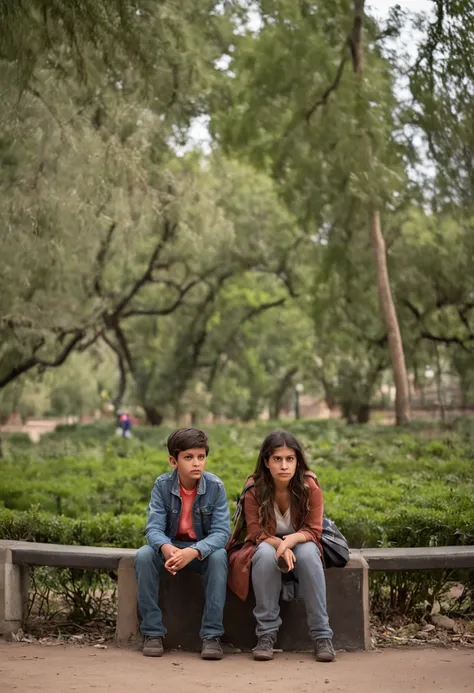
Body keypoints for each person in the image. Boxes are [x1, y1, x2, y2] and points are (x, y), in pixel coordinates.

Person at [227, 430, 335, 662]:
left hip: (302, 541)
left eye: (289, 459)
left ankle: (322, 636)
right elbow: (256, 533)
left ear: (297, 461)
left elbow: (313, 530)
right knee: (265, 554)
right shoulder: (254, 489)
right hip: (266, 543)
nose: (284, 465)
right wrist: (280, 545)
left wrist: (289, 542)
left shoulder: (309, 487)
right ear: (266, 462)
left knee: (307, 554)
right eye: (277, 459)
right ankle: (266, 635)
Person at [135, 428, 230, 660]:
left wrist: (194, 551)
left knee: (219, 558)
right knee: (144, 556)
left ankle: (211, 636)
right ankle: (152, 632)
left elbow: (221, 533)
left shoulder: (215, 487)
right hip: (171, 548)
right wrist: (166, 548)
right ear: (173, 461)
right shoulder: (162, 485)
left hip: (201, 550)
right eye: (188, 457)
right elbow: (154, 528)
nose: (196, 463)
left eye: (201, 457)